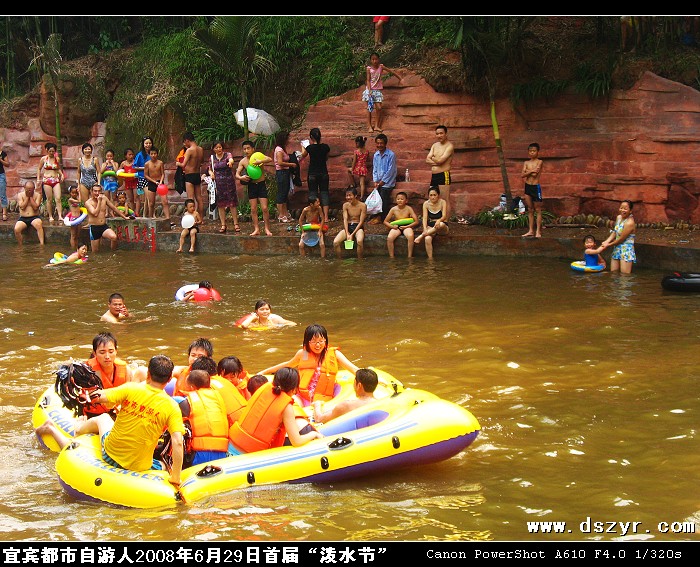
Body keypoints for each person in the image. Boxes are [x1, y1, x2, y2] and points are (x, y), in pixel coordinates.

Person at [72, 354, 185, 487]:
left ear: (148, 374)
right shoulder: (172, 407)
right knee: (163, 465)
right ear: (170, 379)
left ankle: (78, 429)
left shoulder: (130, 388)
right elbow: (178, 442)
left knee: (103, 418)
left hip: (110, 455)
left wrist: (81, 390)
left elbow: (98, 396)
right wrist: (176, 478)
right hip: (140, 467)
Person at [258, 324, 359, 406]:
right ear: (307, 342)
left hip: (323, 399)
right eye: (313, 341)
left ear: (325, 341)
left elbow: (353, 369)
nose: (317, 345)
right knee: (289, 404)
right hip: (302, 396)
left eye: (321, 341)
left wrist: (365, 377)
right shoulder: (304, 354)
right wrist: (264, 372)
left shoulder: (335, 354)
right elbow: (288, 364)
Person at [229, 367, 324, 453]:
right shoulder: (286, 406)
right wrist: (314, 434)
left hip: (232, 443)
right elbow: (296, 441)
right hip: (248, 453)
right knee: (308, 432)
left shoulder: (264, 388)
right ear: (294, 388)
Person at [177, 369, 229, 466]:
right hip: (222, 454)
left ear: (192, 387)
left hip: (199, 456)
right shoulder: (218, 399)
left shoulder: (184, 402)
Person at [313, 368, 379, 424]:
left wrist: (317, 405)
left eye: (354, 382)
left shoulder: (346, 406)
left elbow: (319, 419)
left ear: (359, 385)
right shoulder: (380, 403)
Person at [235, 140, 273, 236]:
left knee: (264, 208)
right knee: (253, 209)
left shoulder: (258, 156)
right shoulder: (243, 161)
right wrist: (241, 177)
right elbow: (237, 174)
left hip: (261, 184)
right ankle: (256, 229)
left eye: (248, 148)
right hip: (251, 185)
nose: (246, 151)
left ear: (253, 149)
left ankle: (267, 228)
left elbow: (270, 159)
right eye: (244, 149)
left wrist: (261, 161)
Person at [363, 52, 403, 133]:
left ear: (378, 59)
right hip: (370, 90)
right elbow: (368, 80)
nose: (374, 61)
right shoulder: (369, 69)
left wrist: (400, 78)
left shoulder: (381, 67)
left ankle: (376, 126)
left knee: (379, 108)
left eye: (376, 59)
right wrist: (369, 90)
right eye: (373, 59)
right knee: (369, 108)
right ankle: (369, 126)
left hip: (377, 90)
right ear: (370, 60)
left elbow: (391, 71)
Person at [299, 127, 331, 224]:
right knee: (324, 193)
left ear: (311, 137)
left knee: (313, 194)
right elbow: (326, 158)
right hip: (323, 172)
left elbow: (303, 155)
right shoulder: (325, 147)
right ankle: (325, 217)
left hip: (312, 173)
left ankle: (313, 217)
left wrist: (303, 146)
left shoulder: (310, 148)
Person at [85, 183, 129, 252]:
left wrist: (125, 217)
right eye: (95, 191)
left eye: (99, 191)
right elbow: (95, 213)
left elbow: (114, 208)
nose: (97, 193)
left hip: (103, 226)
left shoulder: (104, 198)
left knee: (114, 237)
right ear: (91, 192)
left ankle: (113, 253)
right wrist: (99, 201)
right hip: (94, 227)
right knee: (95, 252)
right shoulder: (88, 203)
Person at [208, 141, 239, 234]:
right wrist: (211, 173)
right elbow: (209, 169)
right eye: (216, 147)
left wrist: (230, 162)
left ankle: (236, 224)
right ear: (213, 149)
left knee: (232, 203)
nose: (219, 149)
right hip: (218, 184)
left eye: (220, 147)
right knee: (220, 204)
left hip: (229, 183)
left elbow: (231, 160)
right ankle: (223, 225)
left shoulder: (227, 155)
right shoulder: (212, 158)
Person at [599, 200, 636, 274]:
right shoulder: (619, 218)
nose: (622, 210)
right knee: (613, 273)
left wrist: (608, 245)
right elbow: (615, 232)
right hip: (617, 247)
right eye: (621, 208)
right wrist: (607, 241)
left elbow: (621, 239)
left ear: (630, 211)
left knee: (624, 276)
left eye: (625, 209)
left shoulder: (629, 223)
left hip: (626, 250)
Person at [425, 125, 454, 217]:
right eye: (437, 134)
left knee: (445, 199)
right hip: (434, 176)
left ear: (446, 134)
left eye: (441, 133)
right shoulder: (434, 145)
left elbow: (441, 161)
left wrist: (433, 158)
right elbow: (427, 159)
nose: (439, 135)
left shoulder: (449, 146)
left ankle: (446, 221)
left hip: (443, 175)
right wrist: (437, 161)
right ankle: (434, 219)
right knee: (433, 197)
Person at [369, 133, 397, 224]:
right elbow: (375, 169)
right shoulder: (376, 155)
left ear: (385, 144)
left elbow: (391, 170)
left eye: (381, 143)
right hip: (378, 182)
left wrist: (383, 181)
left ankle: (382, 217)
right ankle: (374, 216)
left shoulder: (391, 155)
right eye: (378, 143)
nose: (379, 145)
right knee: (374, 196)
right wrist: (375, 181)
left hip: (388, 182)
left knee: (383, 195)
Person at [414, 186, 449, 259]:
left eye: (434, 195)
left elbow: (444, 216)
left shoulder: (442, 202)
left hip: (442, 226)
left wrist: (439, 220)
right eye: (431, 195)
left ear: (438, 195)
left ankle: (421, 236)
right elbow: (425, 218)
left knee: (441, 224)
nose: (433, 197)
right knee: (427, 238)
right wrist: (424, 228)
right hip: (431, 226)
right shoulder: (426, 204)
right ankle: (430, 259)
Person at [177, 131, 205, 222]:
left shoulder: (189, 150)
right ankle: (201, 218)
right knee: (199, 198)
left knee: (190, 198)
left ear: (187, 140)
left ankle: (192, 219)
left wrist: (178, 163)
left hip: (189, 175)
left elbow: (183, 164)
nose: (185, 144)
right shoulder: (200, 149)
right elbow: (202, 162)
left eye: (185, 142)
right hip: (197, 174)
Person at [333, 187, 367, 259]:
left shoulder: (363, 205)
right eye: (347, 196)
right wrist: (347, 233)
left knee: (359, 241)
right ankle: (340, 260)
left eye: (350, 195)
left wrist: (352, 234)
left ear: (355, 196)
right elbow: (345, 219)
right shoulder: (345, 205)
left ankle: (360, 260)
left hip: (358, 227)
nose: (348, 197)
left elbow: (361, 221)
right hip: (348, 226)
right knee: (335, 242)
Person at [144, 146, 173, 227]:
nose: (153, 155)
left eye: (155, 153)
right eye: (152, 154)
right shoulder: (147, 164)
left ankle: (168, 219)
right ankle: (150, 219)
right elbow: (146, 175)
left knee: (165, 201)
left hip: (160, 183)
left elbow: (163, 173)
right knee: (151, 203)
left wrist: (160, 182)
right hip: (151, 183)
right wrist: (154, 182)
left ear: (157, 154)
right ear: (149, 154)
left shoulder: (160, 163)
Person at [384, 191, 419, 258]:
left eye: (402, 199)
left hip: (407, 226)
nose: (400, 200)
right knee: (389, 238)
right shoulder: (393, 209)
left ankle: (409, 256)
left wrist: (407, 226)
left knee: (410, 236)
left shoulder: (409, 208)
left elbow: (416, 221)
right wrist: (392, 227)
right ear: (396, 200)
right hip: (396, 227)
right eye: (398, 199)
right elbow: (385, 221)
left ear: (406, 200)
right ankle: (391, 257)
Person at [36, 142, 65, 223]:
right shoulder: (44, 159)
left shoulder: (57, 159)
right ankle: (50, 216)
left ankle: (60, 215)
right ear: (47, 150)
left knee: (58, 198)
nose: (51, 153)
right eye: (50, 151)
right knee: (49, 199)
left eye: (53, 151)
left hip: (55, 179)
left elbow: (58, 168)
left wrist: (62, 174)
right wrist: (38, 178)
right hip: (47, 180)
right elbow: (39, 169)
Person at [273, 131, 297, 224]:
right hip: (281, 172)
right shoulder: (279, 150)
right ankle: (281, 214)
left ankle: (286, 213)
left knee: (285, 193)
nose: (288, 140)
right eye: (287, 138)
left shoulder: (283, 149)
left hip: (285, 172)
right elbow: (280, 162)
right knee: (281, 193)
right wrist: (291, 164)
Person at [521, 142, 544, 238]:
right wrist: (531, 170)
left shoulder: (539, 162)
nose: (532, 153)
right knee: (530, 209)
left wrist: (527, 171)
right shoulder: (526, 162)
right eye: (530, 151)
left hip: (535, 187)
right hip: (528, 186)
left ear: (538, 152)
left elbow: (535, 174)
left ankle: (538, 231)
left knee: (538, 209)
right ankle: (530, 230)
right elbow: (522, 175)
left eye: (534, 151)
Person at [14, 181, 44, 245]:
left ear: (34, 188)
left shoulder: (37, 195)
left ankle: (42, 244)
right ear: (24, 188)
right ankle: (20, 245)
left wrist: (31, 197)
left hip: (34, 217)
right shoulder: (20, 195)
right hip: (23, 218)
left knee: (39, 224)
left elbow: (35, 207)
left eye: (31, 189)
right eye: (27, 189)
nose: (29, 191)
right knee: (17, 229)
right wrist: (27, 197)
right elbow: (22, 207)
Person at [133, 137, 153, 216]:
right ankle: (152, 215)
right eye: (146, 143)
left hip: (152, 178)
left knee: (147, 198)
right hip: (143, 177)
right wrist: (145, 168)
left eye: (149, 143)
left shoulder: (153, 153)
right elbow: (134, 166)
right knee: (149, 197)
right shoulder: (140, 154)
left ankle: (145, 215)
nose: (148, 145)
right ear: (143, 144)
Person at [346, 135, 369, 200]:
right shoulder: (367, 151)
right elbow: (367, 159)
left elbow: (354, 161)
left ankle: (353, 184)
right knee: (362, 183)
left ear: (358, 143)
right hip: (363, 167)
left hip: (357, 167)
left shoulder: (356, 151)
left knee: (349, 171)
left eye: (356, 143)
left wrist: (352, 169)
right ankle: (362, 197)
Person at [119, 147, 139, 217]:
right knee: (130, 199)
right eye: (129, 155)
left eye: (132, 154)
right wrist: (122, 177)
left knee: (136, 198)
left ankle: (137, 213)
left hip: (135, 182)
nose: (131, 156)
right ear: (126, 156)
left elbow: (139, 171)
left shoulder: (135, 162)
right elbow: (119, 172)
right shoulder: (123, 163)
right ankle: (132, 213)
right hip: (127, 182)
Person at [0, 145, 8, 222]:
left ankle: (4, 213)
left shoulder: (3, 153)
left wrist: (1, 160)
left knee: (2, 194)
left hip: (1, 175)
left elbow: (7, 164)